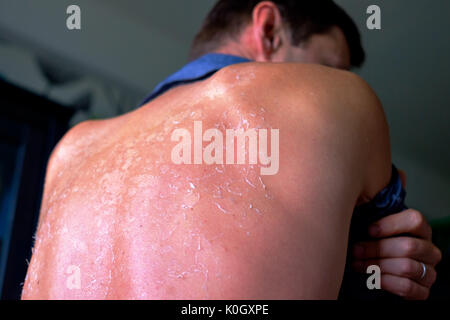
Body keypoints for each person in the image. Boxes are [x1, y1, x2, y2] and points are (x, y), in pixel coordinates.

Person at [21, 0, 441, 299]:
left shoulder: (72, 148)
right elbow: (390, 284)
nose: (333, 80)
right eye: (327, 66)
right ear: (269, 30)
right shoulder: (342, 97)